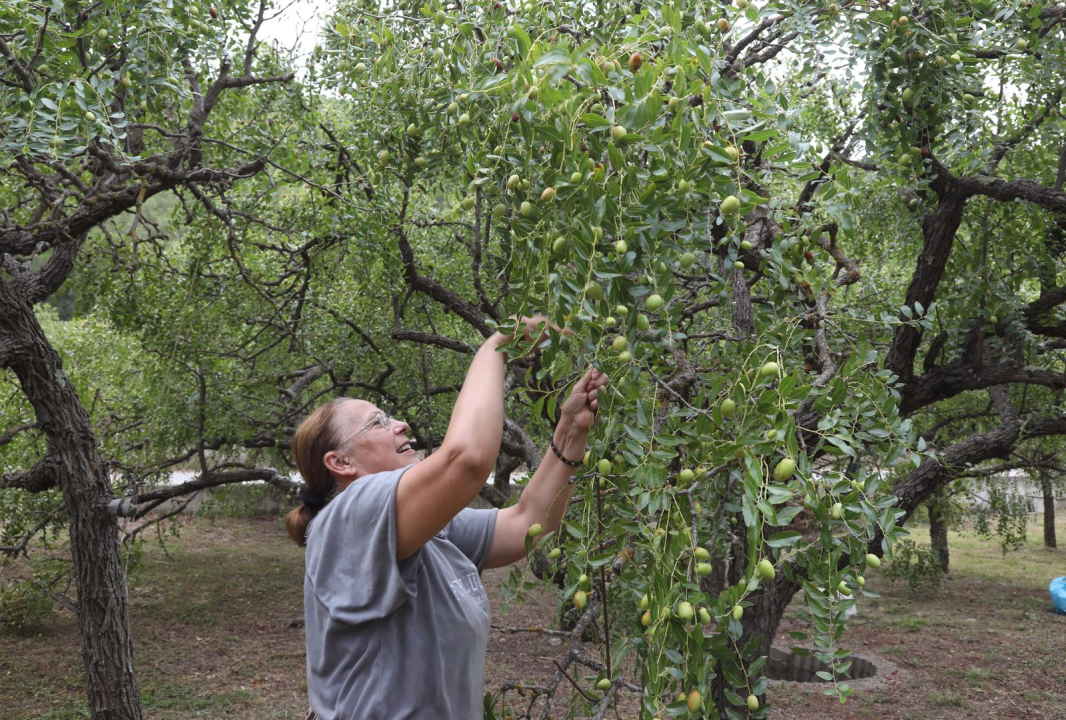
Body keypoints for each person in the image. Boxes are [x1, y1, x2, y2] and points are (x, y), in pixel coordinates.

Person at [284, 316, 608, 720]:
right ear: (341, 462)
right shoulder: (349, 515)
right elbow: (467, 459)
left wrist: (571, 432)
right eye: (378, 422)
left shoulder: (431, 529)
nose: (400, 423)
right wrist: (499, 343)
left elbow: (527, 523)